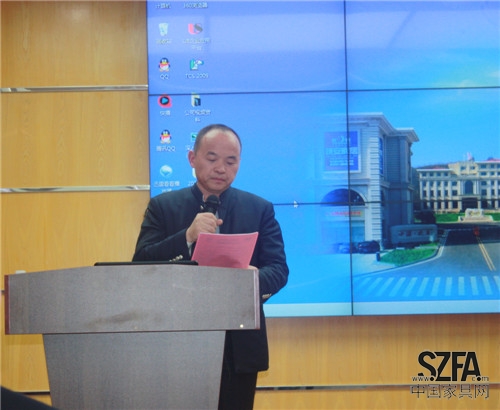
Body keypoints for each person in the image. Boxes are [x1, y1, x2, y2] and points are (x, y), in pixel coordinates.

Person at [132, 123, 289, 410]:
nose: (221, 168)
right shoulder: (163, 206)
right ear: (192, 158)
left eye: (231, 161)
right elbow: (140, 264)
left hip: (239, 345)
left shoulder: (259, 208)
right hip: (175, 339)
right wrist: (186, 237)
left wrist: (252, 280)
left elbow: (278, 270)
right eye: (212, 158)